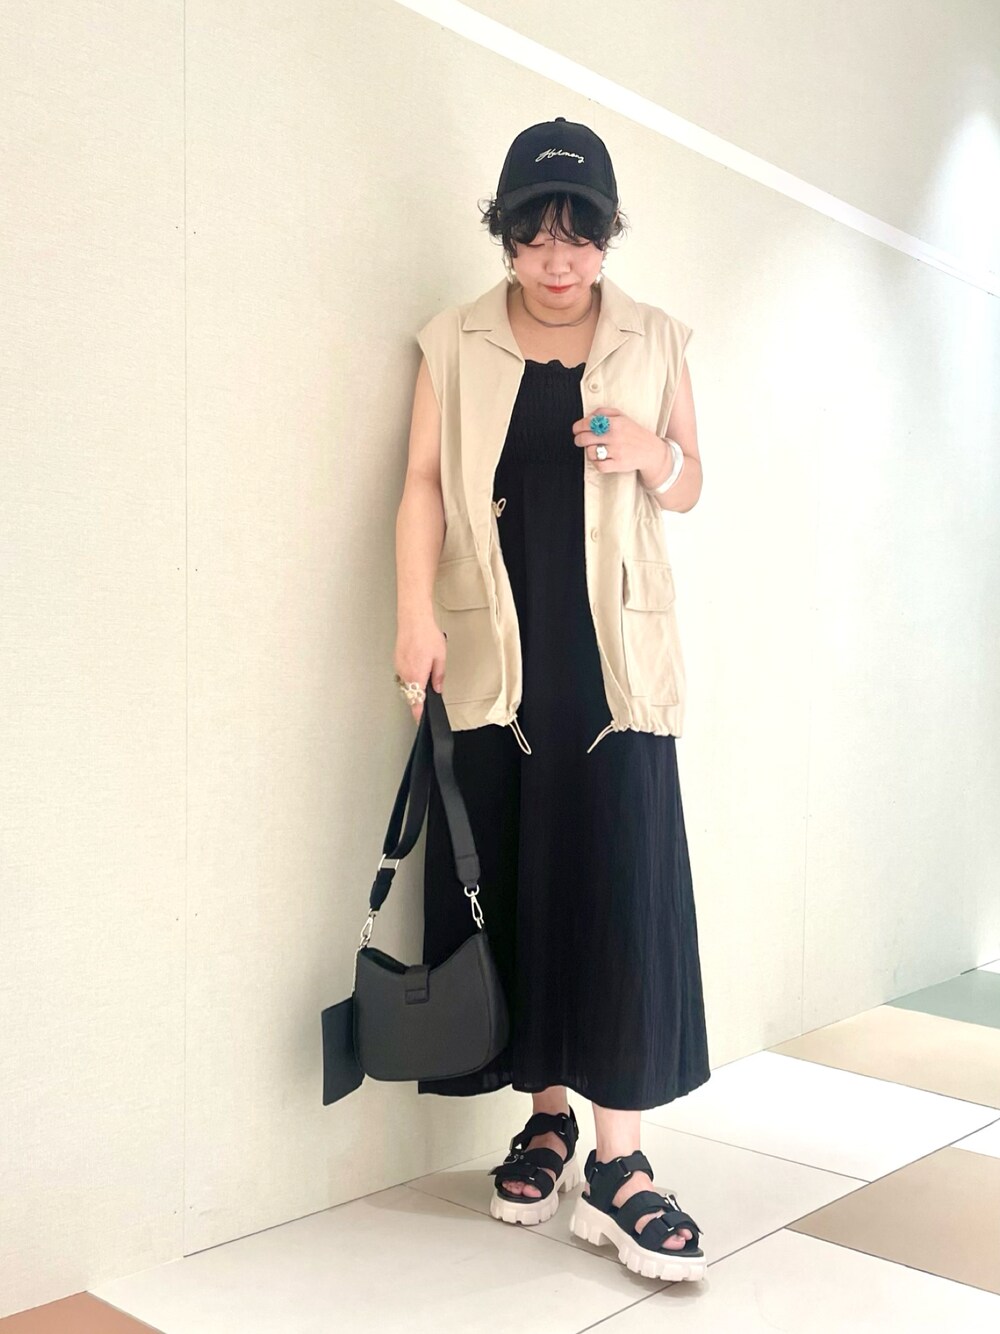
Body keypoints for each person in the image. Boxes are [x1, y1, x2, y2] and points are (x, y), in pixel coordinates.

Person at [393, 117, 711, 1282]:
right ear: (508, 233)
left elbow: (690, 483)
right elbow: (422, 483)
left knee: (619, 892)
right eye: (535, 236)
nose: (557, 260)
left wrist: (649, 453)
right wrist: (412, 616)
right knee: (518, 885)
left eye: (579, 237)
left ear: (607, 236)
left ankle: (622, 1163)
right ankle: (546, 1120)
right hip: (497, 662)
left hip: (614, 670)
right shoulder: (454, 339)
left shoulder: (656, 338)